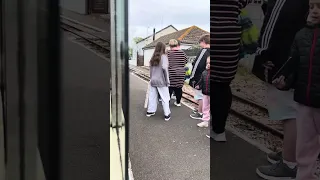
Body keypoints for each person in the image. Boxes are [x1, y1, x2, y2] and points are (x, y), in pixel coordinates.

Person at [246, 0, 309, 179]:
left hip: (282, 62)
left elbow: (274, 27)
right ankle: (292, 155)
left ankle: (290, 164)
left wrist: (263, 54)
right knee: (291, 112)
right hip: (292, 60)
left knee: (289, 113)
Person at [272, 4, 320, 179]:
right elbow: (293, 63)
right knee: (305, 147)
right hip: (304, 101)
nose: (314, 10)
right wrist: (285, 80)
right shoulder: (302, 35)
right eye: (312, 6)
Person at [209, 0, 249, 142]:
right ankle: (219, 129)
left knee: (214, 84)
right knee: (224, 84)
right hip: (231, 36)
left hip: (214, 34)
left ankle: (217, 129)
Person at [146, 42, 171, 121]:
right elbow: (165, 69)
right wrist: (167, 81)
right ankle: (167, 114)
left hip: (153, 80)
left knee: (152, 97)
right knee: (165, 98)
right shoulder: (164, 57)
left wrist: (151, 78)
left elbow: (150, 70)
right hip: (161, 81)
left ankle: (150, 111)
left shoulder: (153, 57)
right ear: (163, 48)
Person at [189, 34, 210, 120]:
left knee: (200, 96)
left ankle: (200, 112)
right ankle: (201, 110)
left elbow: (196, 66)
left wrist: (192, 78)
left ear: (204, 42)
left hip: (200, 78)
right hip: (208, 77)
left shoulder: (204, 51)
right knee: (205, 96)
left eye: (200, 42)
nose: (200, 44)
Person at [167, 39, 188, 107]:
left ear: (170, 45)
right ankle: (178, 102)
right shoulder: (182, 53)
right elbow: (186, 61)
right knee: (179, 88)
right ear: (177, 45)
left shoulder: (167, 53)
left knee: (170, 88)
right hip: (180, 74)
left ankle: (167, 103)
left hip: (170, 74)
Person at [195, 56, 210, 128]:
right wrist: (198, 86)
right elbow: (201, 81)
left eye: (210, 63)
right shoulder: (205, 72)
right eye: (207, 63)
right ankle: (205, 121)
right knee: (205, 108)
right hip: (205, 93)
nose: (208, 64)